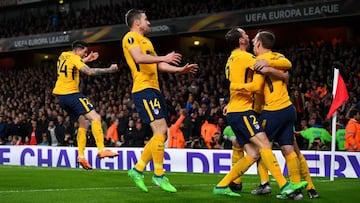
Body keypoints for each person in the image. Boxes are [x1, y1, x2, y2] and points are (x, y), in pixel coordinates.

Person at [213, 27, 307, 198]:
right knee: (264, 145)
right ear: (241, 41)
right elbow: (257, 87)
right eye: (245, 35)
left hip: (236, 109)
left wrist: (233, 94)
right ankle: (284, 185)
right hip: (243, 112)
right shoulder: (247, 57)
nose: (249, 37)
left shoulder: (231, 59)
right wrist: (270, 66)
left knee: (253, 153)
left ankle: (223, 185)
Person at [232, 30, 318, 199]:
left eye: (254, 40)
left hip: (273, 110)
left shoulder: (256, 61)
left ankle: (265, 184)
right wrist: (274, 69)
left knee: (258, 147)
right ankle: (300, 188)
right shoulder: (277, 58)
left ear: (258, 44)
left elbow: (258, 88)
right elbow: (286, 68)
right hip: (288, 110)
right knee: (290, 149)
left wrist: (235, 89)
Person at [122, 9, 198, 193]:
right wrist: (165, 56)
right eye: (146, 19)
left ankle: (137, 169)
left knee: (161, 134)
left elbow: (157, 64)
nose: (149, 23)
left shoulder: (147, 41)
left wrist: (179, 70)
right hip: (143, 89)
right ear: (137, 22)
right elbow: (139, 58)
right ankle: (158, 174)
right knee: (161, 130)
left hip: (154, 89)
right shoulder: (130, 37)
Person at [52, 40, 119, 170]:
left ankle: (81, 156)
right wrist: (109, 70)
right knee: (96, 118)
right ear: (77, 50)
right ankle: (101, 149)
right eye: (84, 52)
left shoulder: (63, 55)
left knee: (82, 124)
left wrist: (87, 59)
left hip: (61, 97)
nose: (84, 54)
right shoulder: (75, 58)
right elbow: (89, 72)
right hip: (72, 95)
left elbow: (72, 64)